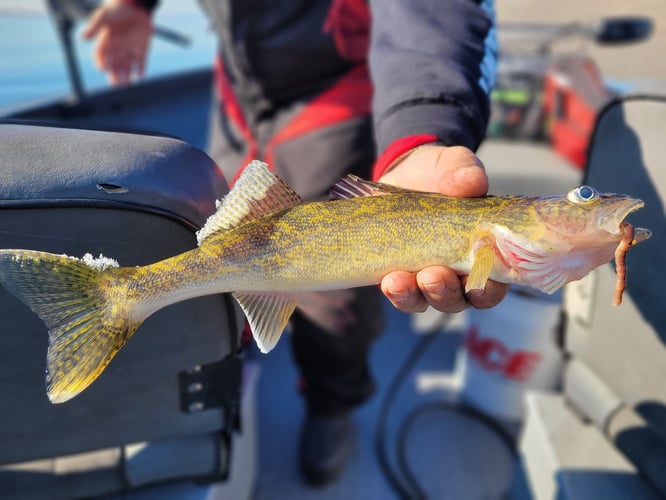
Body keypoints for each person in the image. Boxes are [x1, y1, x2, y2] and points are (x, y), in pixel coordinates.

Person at [82, 0, 507, 487]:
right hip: (239, 89)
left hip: (339, 87)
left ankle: (330, 403)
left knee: (339, 291)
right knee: (208, 239)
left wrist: (423, 119)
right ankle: (218, 365)